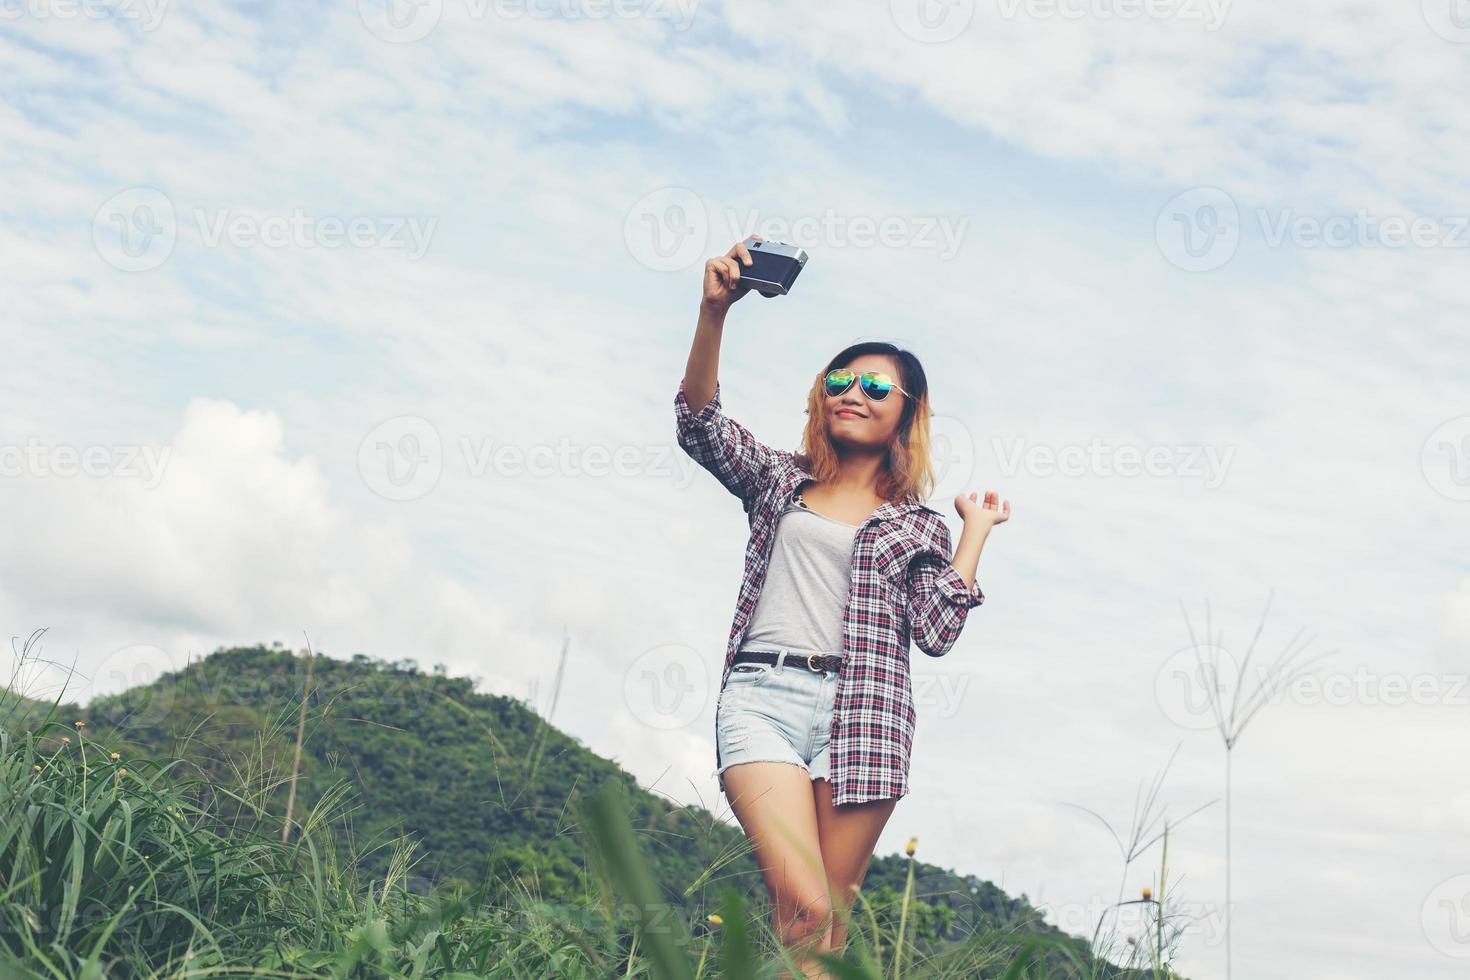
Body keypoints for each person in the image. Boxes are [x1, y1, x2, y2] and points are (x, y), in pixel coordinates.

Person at [675, 236, 1011, 978]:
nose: (852, 393)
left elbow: (937, 629)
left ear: (906, 416)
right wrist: (713, 315)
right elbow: (700, 427)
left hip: (867, 717)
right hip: (763, 699)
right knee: (807, 904)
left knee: (822, 933)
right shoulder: (778, 482)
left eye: (876, 388)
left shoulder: (918, 524)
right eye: (840, 380)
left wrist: (973, 533)